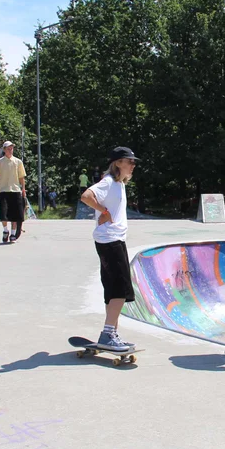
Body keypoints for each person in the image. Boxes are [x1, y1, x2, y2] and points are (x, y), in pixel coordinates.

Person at [80, 146, 140, 352]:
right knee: (120, 289)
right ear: (118, 163)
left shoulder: (119, 184)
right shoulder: (108, 182)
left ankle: (112, 333)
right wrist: (103, 211)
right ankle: (107, 334)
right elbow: (86, 196)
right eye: (129, 162)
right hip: (110, 241)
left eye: (133, 162)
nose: (133, 165)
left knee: (113, 289)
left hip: (113, 241)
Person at [0, 141, 27, 243]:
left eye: (11, 148)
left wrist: (23, 188)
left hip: (15, 190)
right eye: (8, 148)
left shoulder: (18, 161)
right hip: (3, 190)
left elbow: (21, 177)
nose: (10, 150)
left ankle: (12, 233)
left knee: (15, 214)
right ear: (4, 149)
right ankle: (5, 230)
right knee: (3, 214)